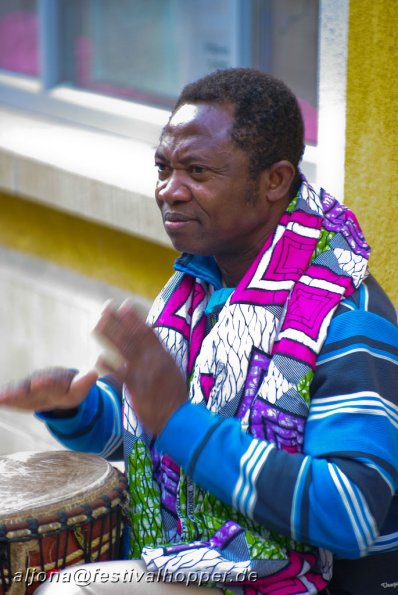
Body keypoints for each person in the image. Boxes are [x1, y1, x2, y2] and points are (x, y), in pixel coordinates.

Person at [0, 68, 397, 595]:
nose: (170, 191)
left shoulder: (343, 315)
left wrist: (178, 418)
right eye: (162, 167)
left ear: (274, 180)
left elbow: (349, 512)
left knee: (73, 590)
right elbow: (156, 446)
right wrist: (80, 410)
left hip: (301, 580)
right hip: (210, 557)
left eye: (198, 171)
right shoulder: (197, 285)